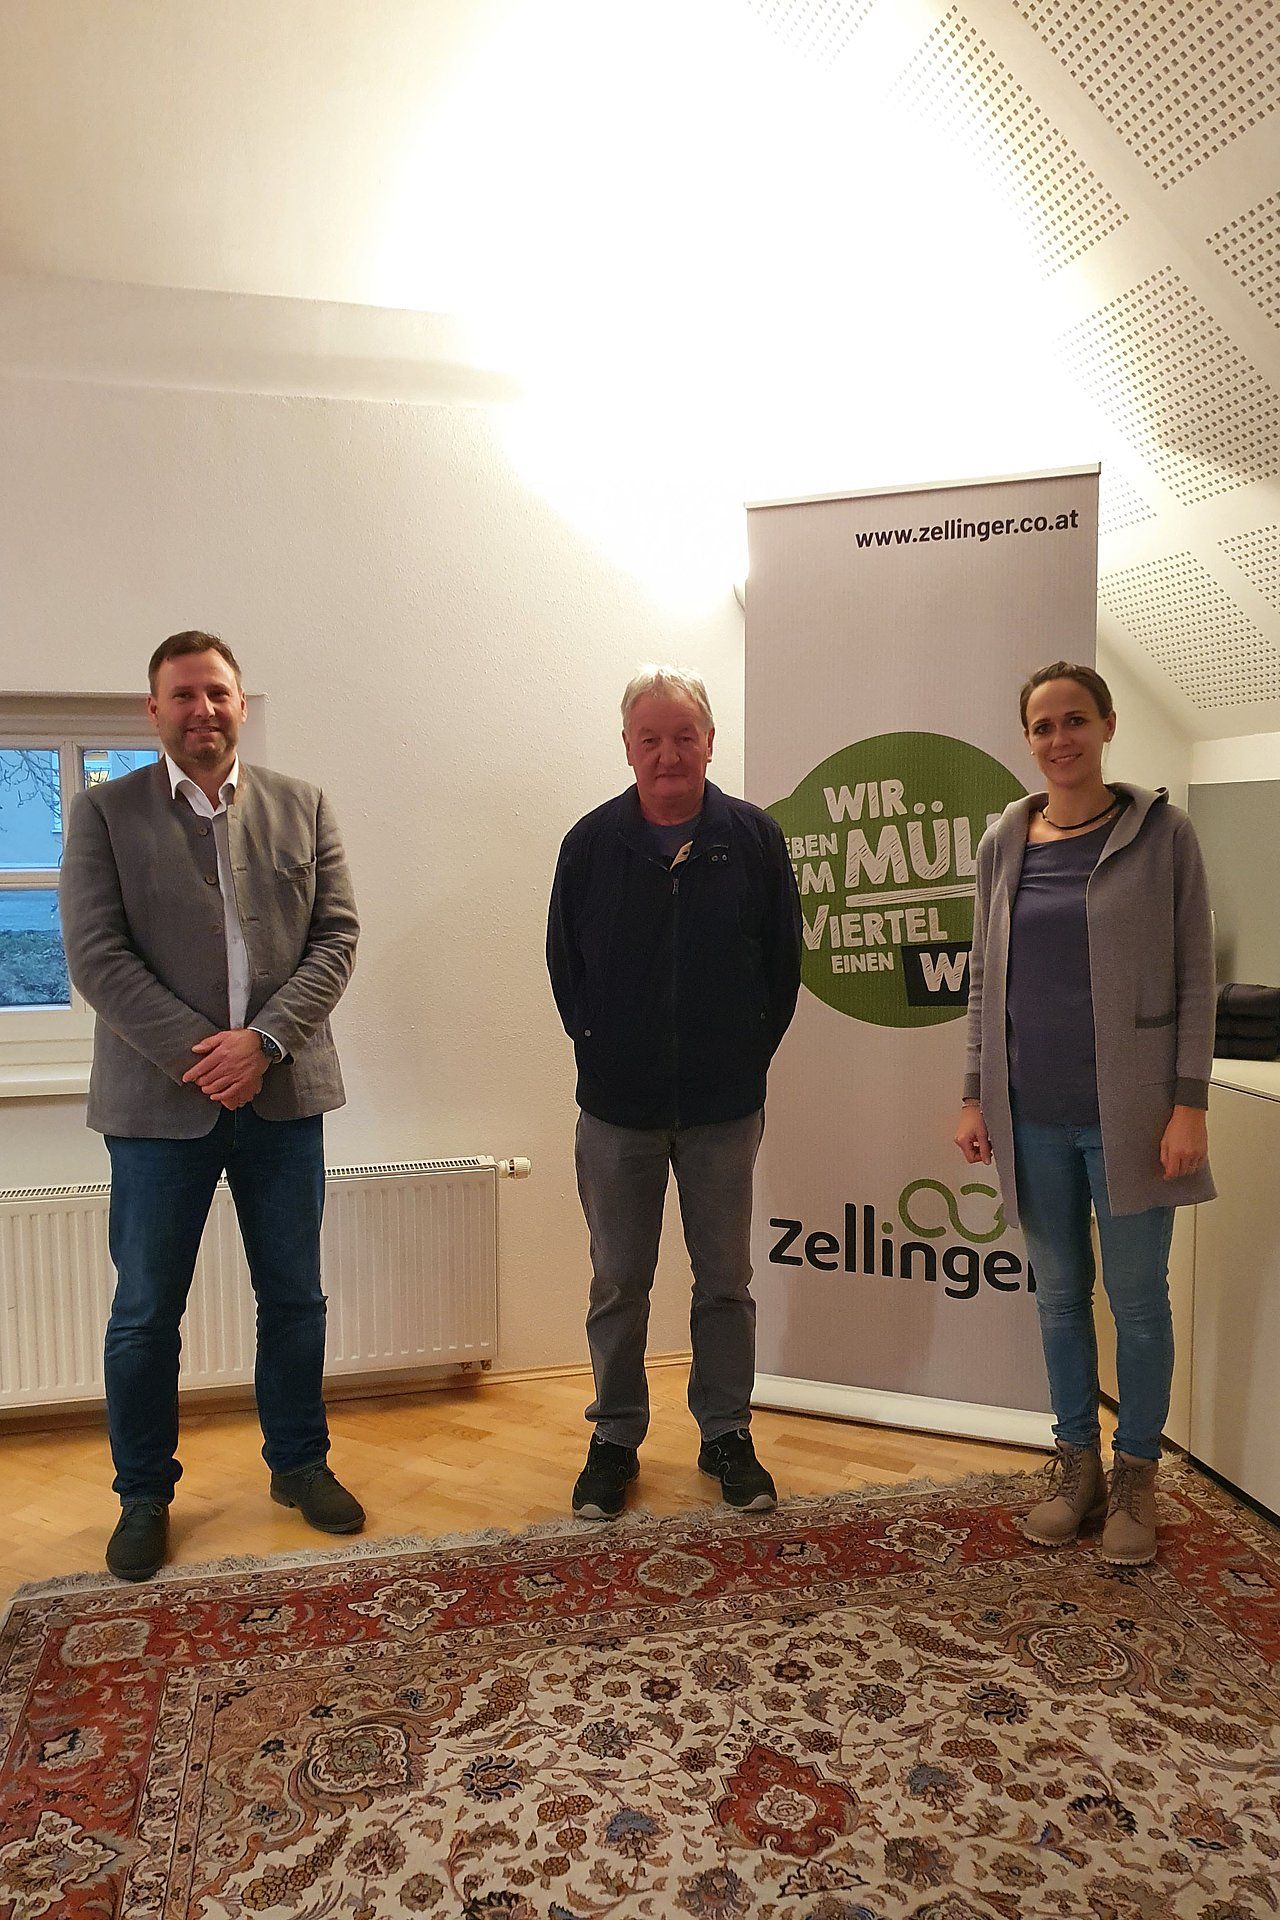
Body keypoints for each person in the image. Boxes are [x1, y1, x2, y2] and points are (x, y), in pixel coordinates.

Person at [60, 630, 363, 1581]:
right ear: (153, 711)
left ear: (240, 703)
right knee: (147, 1311)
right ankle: (143, 1495)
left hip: (284, 1094)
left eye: (219, 694)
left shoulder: (300, 804)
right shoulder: (103, 815)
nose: (204, 710)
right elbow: (97, 957)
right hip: (159, 1107)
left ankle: (299, 1466)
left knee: (297, 1299)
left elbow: (338, 938)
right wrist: (210, 1057)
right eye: (184, 695)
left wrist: (263, 1043)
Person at [955, 660, 1214, 1565]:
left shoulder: (1163, 835)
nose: (1059, 740)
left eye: (1075, 721)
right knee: (1059, 1297)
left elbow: (1194, 977)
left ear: (1106, 726)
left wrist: (1189, 1104)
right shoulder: (1004, 842)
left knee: (1138, 1302)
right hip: (1032, 1116)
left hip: (1134, 1117)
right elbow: (986, 978)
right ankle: (1078, 1466)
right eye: (1042, 726)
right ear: (1027, 740)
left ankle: (1136, 1468)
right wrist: (974, 1091)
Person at [548, 666, 802, 1519]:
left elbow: (783, 971)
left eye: (682, 736)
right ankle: (615, 1437)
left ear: (709, 741)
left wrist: (737, 1059)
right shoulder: (589, 846)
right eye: (649, 739)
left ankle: (725, 1432)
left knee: (724, 1277)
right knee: (619, 1280)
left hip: (724, 1111)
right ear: (626, 747)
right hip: (616, 1110)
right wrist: (606, 1049)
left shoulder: (756, 841)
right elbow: (565, 970)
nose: (667, 754)